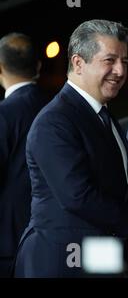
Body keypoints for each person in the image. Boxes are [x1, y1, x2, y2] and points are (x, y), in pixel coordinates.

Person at [14, 19, 128, 278]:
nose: (120, 71)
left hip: (99, 257)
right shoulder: (54, 122)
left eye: (124, 61)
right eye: (109, 60)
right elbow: (78, 195)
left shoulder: (101, 115)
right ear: (78, 63)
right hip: (58, 263)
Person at [0, 33, 49, 277]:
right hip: (57, 236)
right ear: (38, 66)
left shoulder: (3, 114)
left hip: (9, 244)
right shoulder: (59, 105)